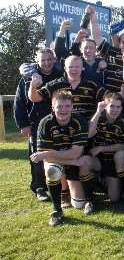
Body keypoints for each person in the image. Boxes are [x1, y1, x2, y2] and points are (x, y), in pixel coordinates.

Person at [30, 91, 94, 226]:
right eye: (59, 106)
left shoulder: (79, 121)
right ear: (53, 107)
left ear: (72, 107)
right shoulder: (45, 123)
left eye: (67, 106)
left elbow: (76, 153)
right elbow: (48, 160)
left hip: (74, 159)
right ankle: (57, 211)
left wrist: (47, 154)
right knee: (51, 171)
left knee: (78, 203)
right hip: (59, 161)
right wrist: (69, 160)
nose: (63, 110)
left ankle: (89, 200)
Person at [14, 48, 62, 201]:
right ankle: (39, 188)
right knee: (37, 156)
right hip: (36, 124)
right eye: (43, 60)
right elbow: (19, 102)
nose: (46, 63)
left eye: (49, 59)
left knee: (57, 153)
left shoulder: (60, 75)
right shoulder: (28, 78)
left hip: (58, 122)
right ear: (37, 62)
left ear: (54, 60)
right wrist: (23, 124)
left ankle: (59, 184)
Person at [88, 93, 124, 204]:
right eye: (112, 106)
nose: (115, 110)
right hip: (98, 159)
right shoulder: (98, 116)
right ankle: (92, 190)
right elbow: (89, 134)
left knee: (114, 198)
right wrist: (98, 111)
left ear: (121, 108)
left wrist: (101, 148)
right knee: (85, 160)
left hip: (114, 159)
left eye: (118, 107)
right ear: (105, 106)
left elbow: (122, 146)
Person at [28, 55, 107, 119]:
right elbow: (35, 98)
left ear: (82, 68)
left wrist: (118, 94)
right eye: (71, 67)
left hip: (86, 129)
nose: (74, 69)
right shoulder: (55, 84)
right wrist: (32, 86)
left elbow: (108, 97)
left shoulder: (91, 84)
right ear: (65, 69)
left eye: (77, 67)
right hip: (61, 130)